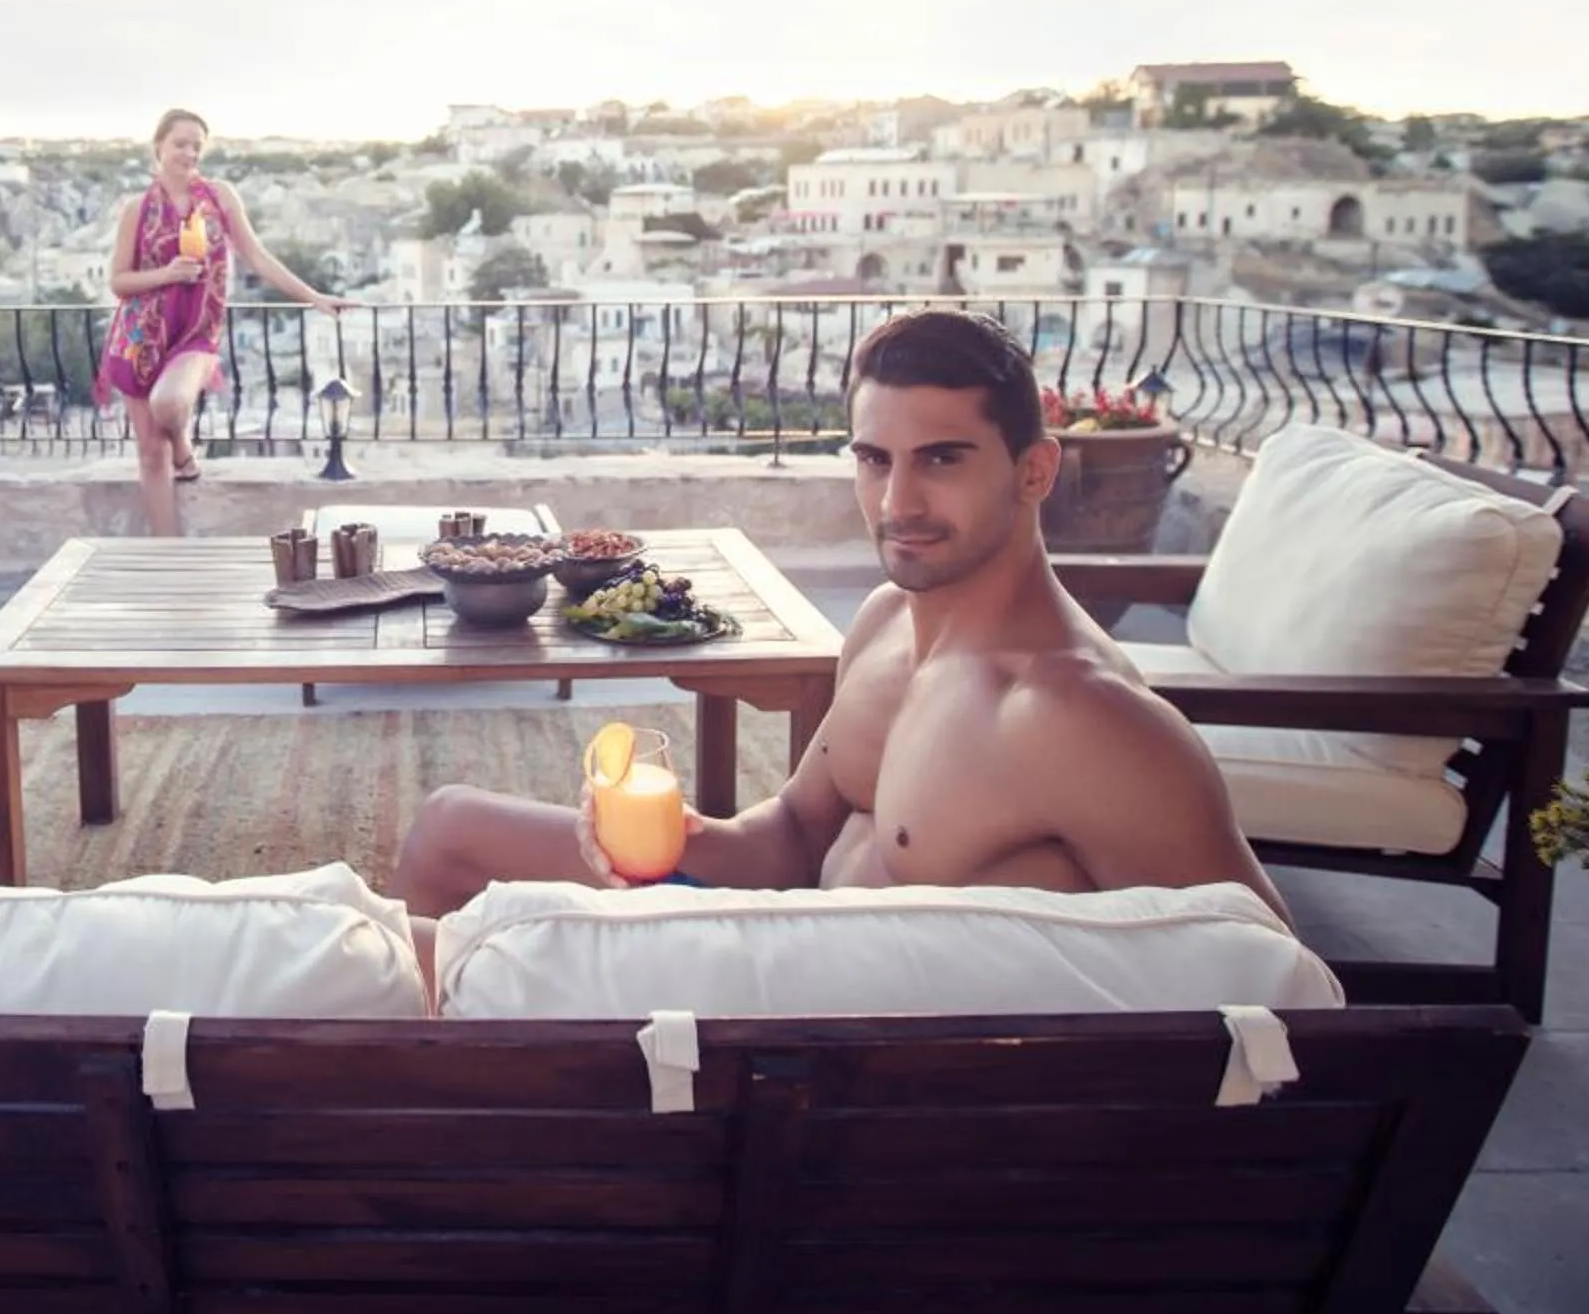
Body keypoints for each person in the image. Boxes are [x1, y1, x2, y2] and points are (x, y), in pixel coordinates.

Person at [389, 308, 1288, 934]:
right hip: (789, 933)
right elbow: (791, 839)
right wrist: (687, 839)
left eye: (942, 458)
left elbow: (1271, 968)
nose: (899, 501)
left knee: (441, 960)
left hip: (828, 1041)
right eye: (873, 458)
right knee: (449, 826)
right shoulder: (887, 621)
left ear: (1034, 471)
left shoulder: (1075, 715)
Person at [96, 108, 349, 536]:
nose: (190, 152)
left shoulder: (219, 197)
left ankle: (184, 446)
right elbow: (119, 282)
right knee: (149, 454)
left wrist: (313, 297)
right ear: (159, 145)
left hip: (197, 332)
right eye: (181, 143)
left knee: (170, 404)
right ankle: (168, 551)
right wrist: (167, 274)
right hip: (141, 339)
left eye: (197, 145)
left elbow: (256, 256)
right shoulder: (137, 209)